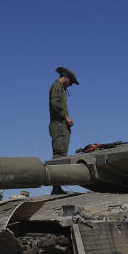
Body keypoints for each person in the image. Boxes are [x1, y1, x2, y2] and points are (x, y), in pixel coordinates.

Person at [49, 66, 78, 194]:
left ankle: (57, 186)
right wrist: (66, 117)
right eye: (70, 81)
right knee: (59, 156)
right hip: (59, 125)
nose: (71, 84)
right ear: (65, 77)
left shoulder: (61, 88)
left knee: (62, 155)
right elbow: (55, 103)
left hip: (62, 125)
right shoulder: (56, 87)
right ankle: (56, 187)